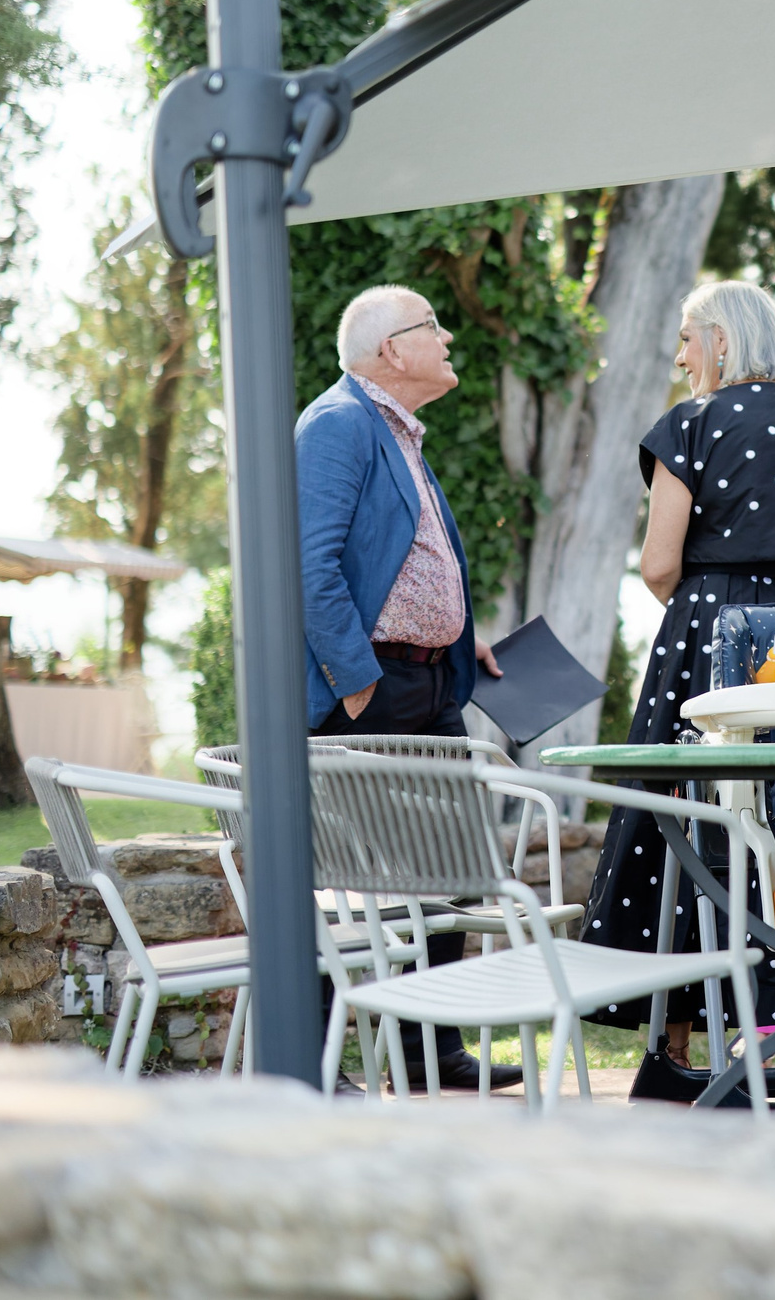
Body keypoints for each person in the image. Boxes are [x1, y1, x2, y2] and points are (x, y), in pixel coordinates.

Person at [579, 280, 775, 1095]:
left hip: (710, 631)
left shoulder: (691, 424)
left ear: (720, 338)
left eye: (687, 337)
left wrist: (711, 606)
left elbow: (658, 563)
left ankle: (676, 1040)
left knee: (684, 818)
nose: (681, 355)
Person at [298, 287, 511, 1092]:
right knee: (342, 878)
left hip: (430, 680)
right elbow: (309, 566)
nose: (447, 335)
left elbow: (399, 559)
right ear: (391, 348)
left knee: (448, 865)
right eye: (432, 325)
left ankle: (428, 1053)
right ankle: (315, 1065)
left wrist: (452, 630)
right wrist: (358, 683)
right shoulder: (337, 423)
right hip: (371, 688)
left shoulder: (396, 429)